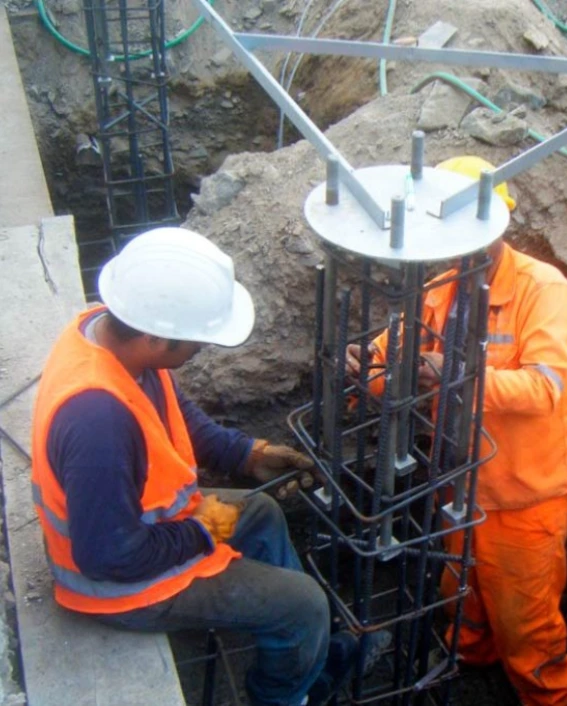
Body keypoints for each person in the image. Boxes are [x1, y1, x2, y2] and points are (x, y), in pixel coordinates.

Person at [31, 227, 357, 706]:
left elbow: (174, 413)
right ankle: (284, 695)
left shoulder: (111, 332)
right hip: (119, 585)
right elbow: (107, 557)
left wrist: (245, 453)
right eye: (195, 343)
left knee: (262, 513)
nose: (201, 351)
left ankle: (315, 650)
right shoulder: (97, 420)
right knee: (302, 605)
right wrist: (204, 530)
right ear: (155, 337)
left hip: (144, 531)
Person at [346, 156, 567, 706]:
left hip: (524, 496)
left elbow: (543, 390)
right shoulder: (440, 288)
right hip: (458, 480)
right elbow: (396, 361)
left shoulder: (543, 291)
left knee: (526, 625)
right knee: (461, 594)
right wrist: (369, 367)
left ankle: (547, 698)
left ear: (498, 223)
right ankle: (471, 668)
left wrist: (455, 377)